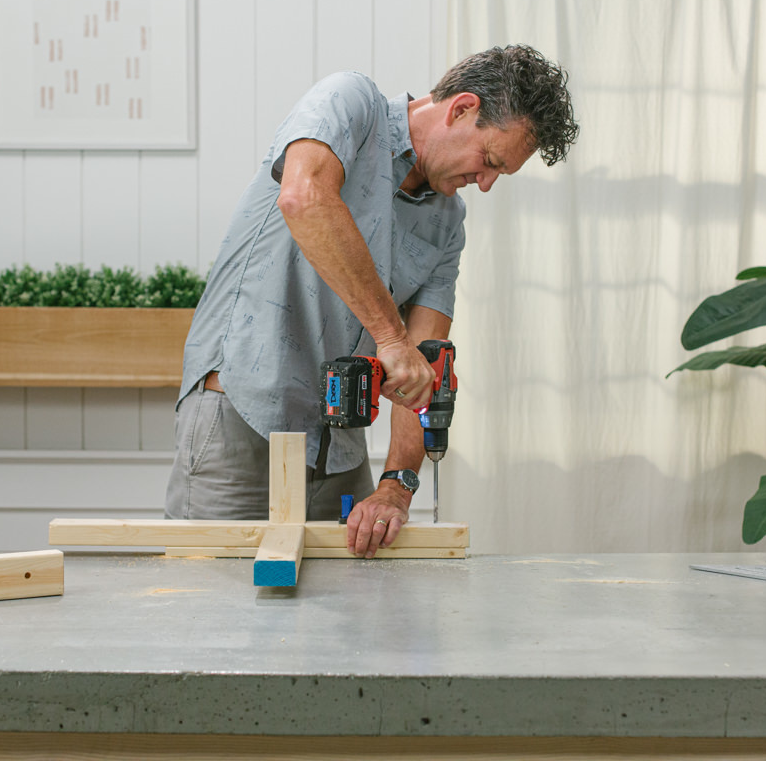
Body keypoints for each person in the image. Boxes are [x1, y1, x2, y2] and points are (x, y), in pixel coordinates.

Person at [166, 45, 579, 559]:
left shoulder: (447, 224)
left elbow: (423, 365)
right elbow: (304, 197)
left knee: (343, 628)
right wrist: (390, 336)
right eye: (489, 161)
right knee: (210, 616)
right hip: (241, 418)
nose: (487, 184)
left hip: (337, 446)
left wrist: (397, 485)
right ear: (462, 109)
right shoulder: (350, 105)